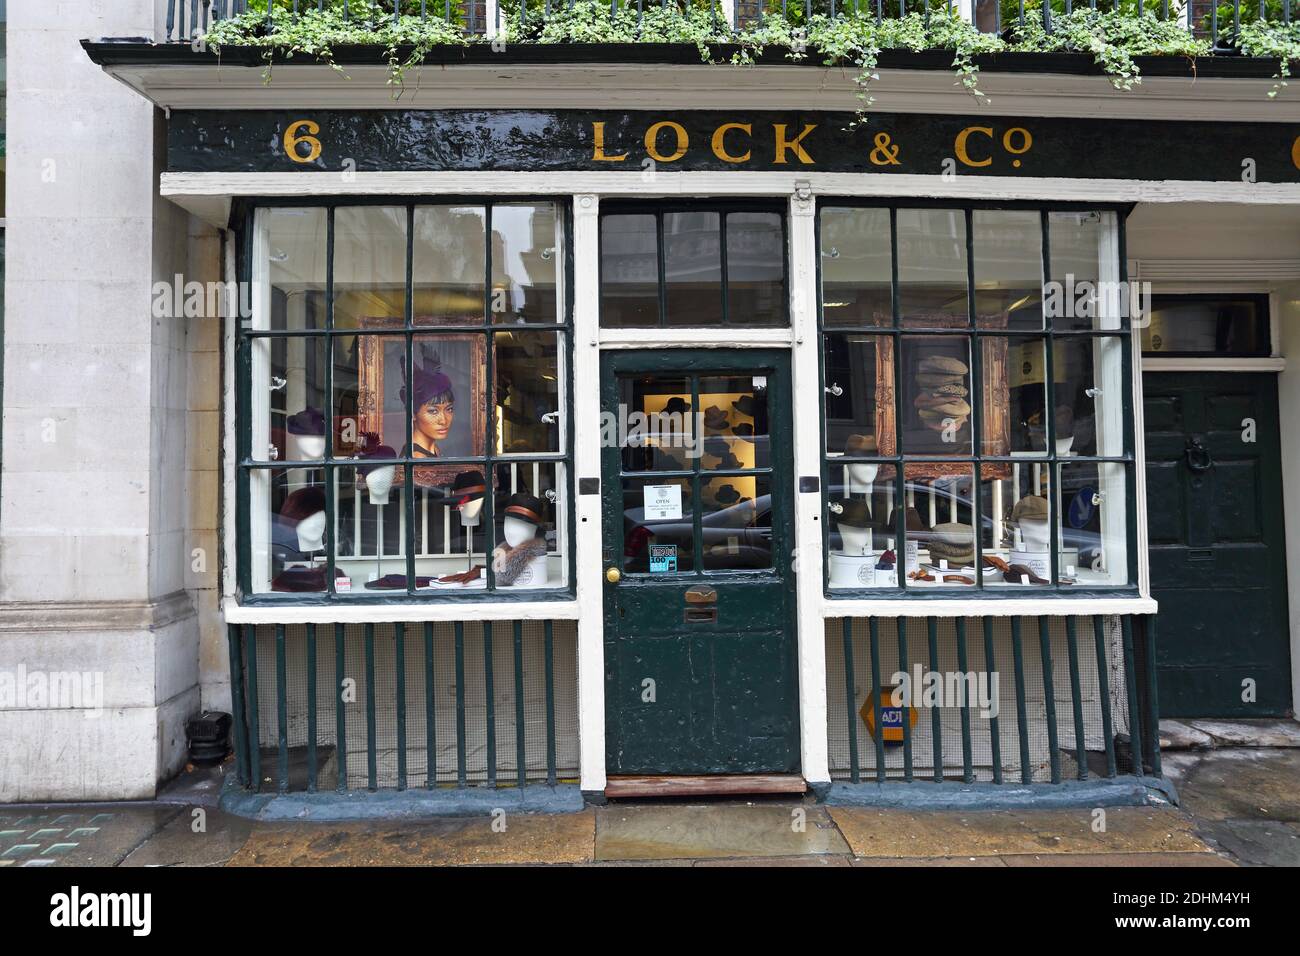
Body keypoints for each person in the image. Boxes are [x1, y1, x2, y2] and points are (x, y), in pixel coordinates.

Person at [402, 343, 455, 459]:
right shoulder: (417, 458)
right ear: (413, 413)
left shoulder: (434, 449)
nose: (443, 420)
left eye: (449, 409)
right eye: (433, 411)